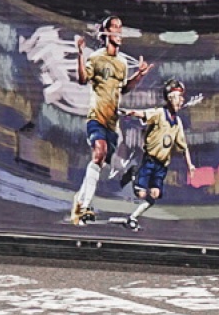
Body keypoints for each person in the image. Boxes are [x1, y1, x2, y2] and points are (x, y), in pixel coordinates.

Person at [69, 15, 149, 224]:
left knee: (100, 162)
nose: (118, 31)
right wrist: (80, 54)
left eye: (120, 27)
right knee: (99, 152)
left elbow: (124, 89)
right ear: (106, 33)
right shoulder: (96, 58)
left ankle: (80, 201)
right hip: (96, 117)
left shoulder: (122, 63)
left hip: (112, 123)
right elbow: (82, 79)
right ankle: (84, 207)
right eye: (114, 27)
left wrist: (139, 75)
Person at [123, 79, 196, 231]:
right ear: (170, 98)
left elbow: (183, 147)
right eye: (178, 97)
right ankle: (134, 173)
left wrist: (190, 165)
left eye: (182, 98)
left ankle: (133, 217)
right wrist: (131, 112)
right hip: (150, 160)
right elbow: (143, 114)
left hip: (162, 166)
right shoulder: (159, 114)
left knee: (154, 195)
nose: (181, 101)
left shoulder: (178, 123)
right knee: (141, 194)